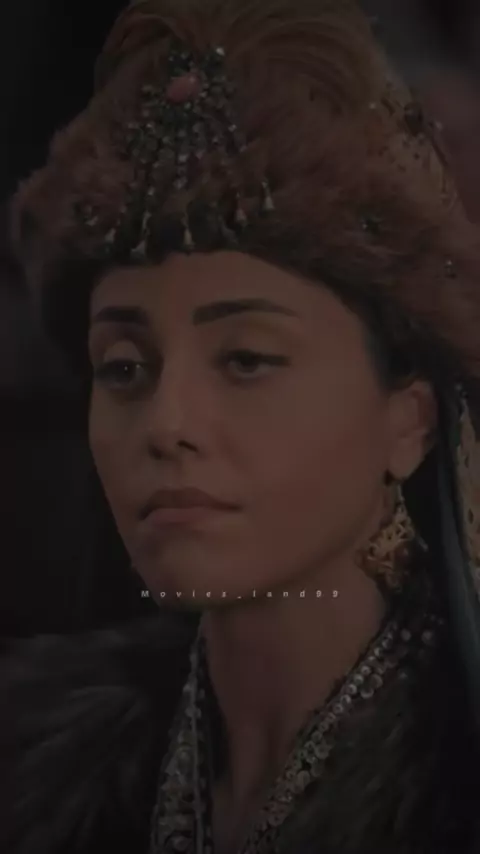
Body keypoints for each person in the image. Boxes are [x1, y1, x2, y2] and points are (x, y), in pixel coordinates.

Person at [3, 1, 480, 852]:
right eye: (124, 368)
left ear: (408, 421)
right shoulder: (30, 765)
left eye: (248, 358)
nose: (167, 424)